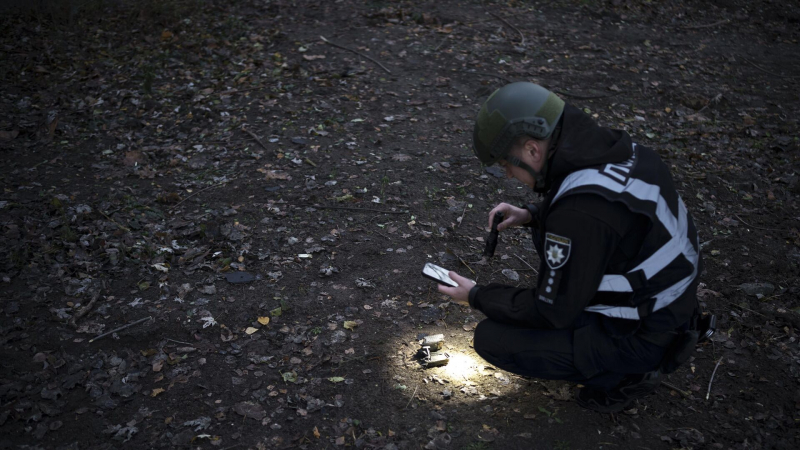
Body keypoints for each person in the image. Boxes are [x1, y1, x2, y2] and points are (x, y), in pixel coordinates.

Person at [437, 82, 704, 413]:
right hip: (673, 308)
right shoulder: (623, 151)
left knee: (492, 339)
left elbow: (552, 311)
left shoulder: (579, 215)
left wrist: (476, 295)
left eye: (506, 164)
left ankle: (625, 376)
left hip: (643, 334)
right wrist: (533, 215)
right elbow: (613, 218)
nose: (507, 174)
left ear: (533, 150)